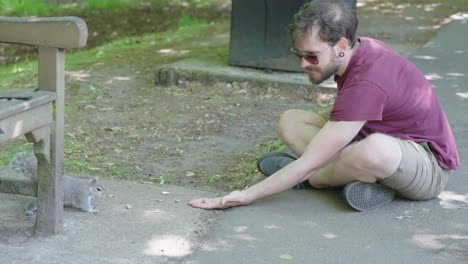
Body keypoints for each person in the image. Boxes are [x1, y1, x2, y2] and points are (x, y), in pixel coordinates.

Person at [189, 0, 459, 211]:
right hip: (376, 139)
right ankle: (360, 180)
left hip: (427, 168)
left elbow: (310, 160)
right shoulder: (358, 52)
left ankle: (316, 181)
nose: (303, 64)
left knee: (372, 150)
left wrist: (244, 196)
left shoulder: (367, 80)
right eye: (299, 54)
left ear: (340, 45)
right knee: (291, 121)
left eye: (311, 56)